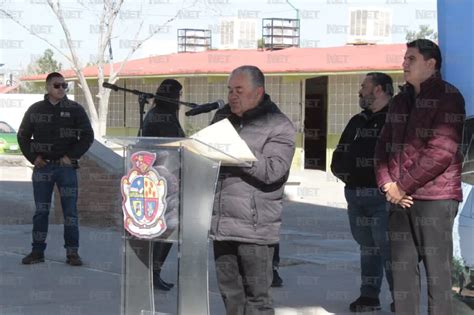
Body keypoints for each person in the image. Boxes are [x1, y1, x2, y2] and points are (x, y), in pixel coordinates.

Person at [375, 39, 465, 315]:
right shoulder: (400, 100)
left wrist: (401, 186)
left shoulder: (448, 97)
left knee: (437, 275)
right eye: (404, 58)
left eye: (411, 59)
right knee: (402, 275)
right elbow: (382, 145)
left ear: (431, 63)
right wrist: (387, 184)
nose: (404, 64)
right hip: (399, 198)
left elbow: (441, 152)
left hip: (435, 199)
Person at [210, 65, 296, 314]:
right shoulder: (223, 118)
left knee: (256, 301)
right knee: (231, 297)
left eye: (239, 90)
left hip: (255, 229)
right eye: (229, 90)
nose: (232, 96)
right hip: (221, 225)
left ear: (258, 92)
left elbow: (273, 171)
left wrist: (236, 151)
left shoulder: (279, 125)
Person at [331, 72, 395, 312]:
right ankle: (369, 297)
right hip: (355, 196)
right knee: (367, 248)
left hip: (383, 197)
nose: (360, 91)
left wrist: (387, 185)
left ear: (378, 90)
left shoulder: (396, 119)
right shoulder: (357, 120)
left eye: (364, 86)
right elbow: (340, 153)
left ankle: (402, 300)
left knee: (389, 250)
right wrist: (346, 176)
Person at [17, 72, 94, 266]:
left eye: (64, 85)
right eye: (57, 85)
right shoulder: (35, 110)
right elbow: (23, 136)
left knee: (70, 212)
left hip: (65, 168)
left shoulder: (75, 109)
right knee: (41, 211)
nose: (61, 89)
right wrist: (34, 158)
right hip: (43, 168)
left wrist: (71, 156)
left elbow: (87, 136)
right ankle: (37, 252)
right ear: (47, 87)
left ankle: (72, 253)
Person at [142, 79, 184, 291]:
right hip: (165, 178)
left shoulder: (157, 112)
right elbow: (172, 144)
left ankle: (153, 272)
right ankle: (153, 272)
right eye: (179, 95)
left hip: (163, 177)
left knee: (166, 227)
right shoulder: (163, 116)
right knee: (167, 227)